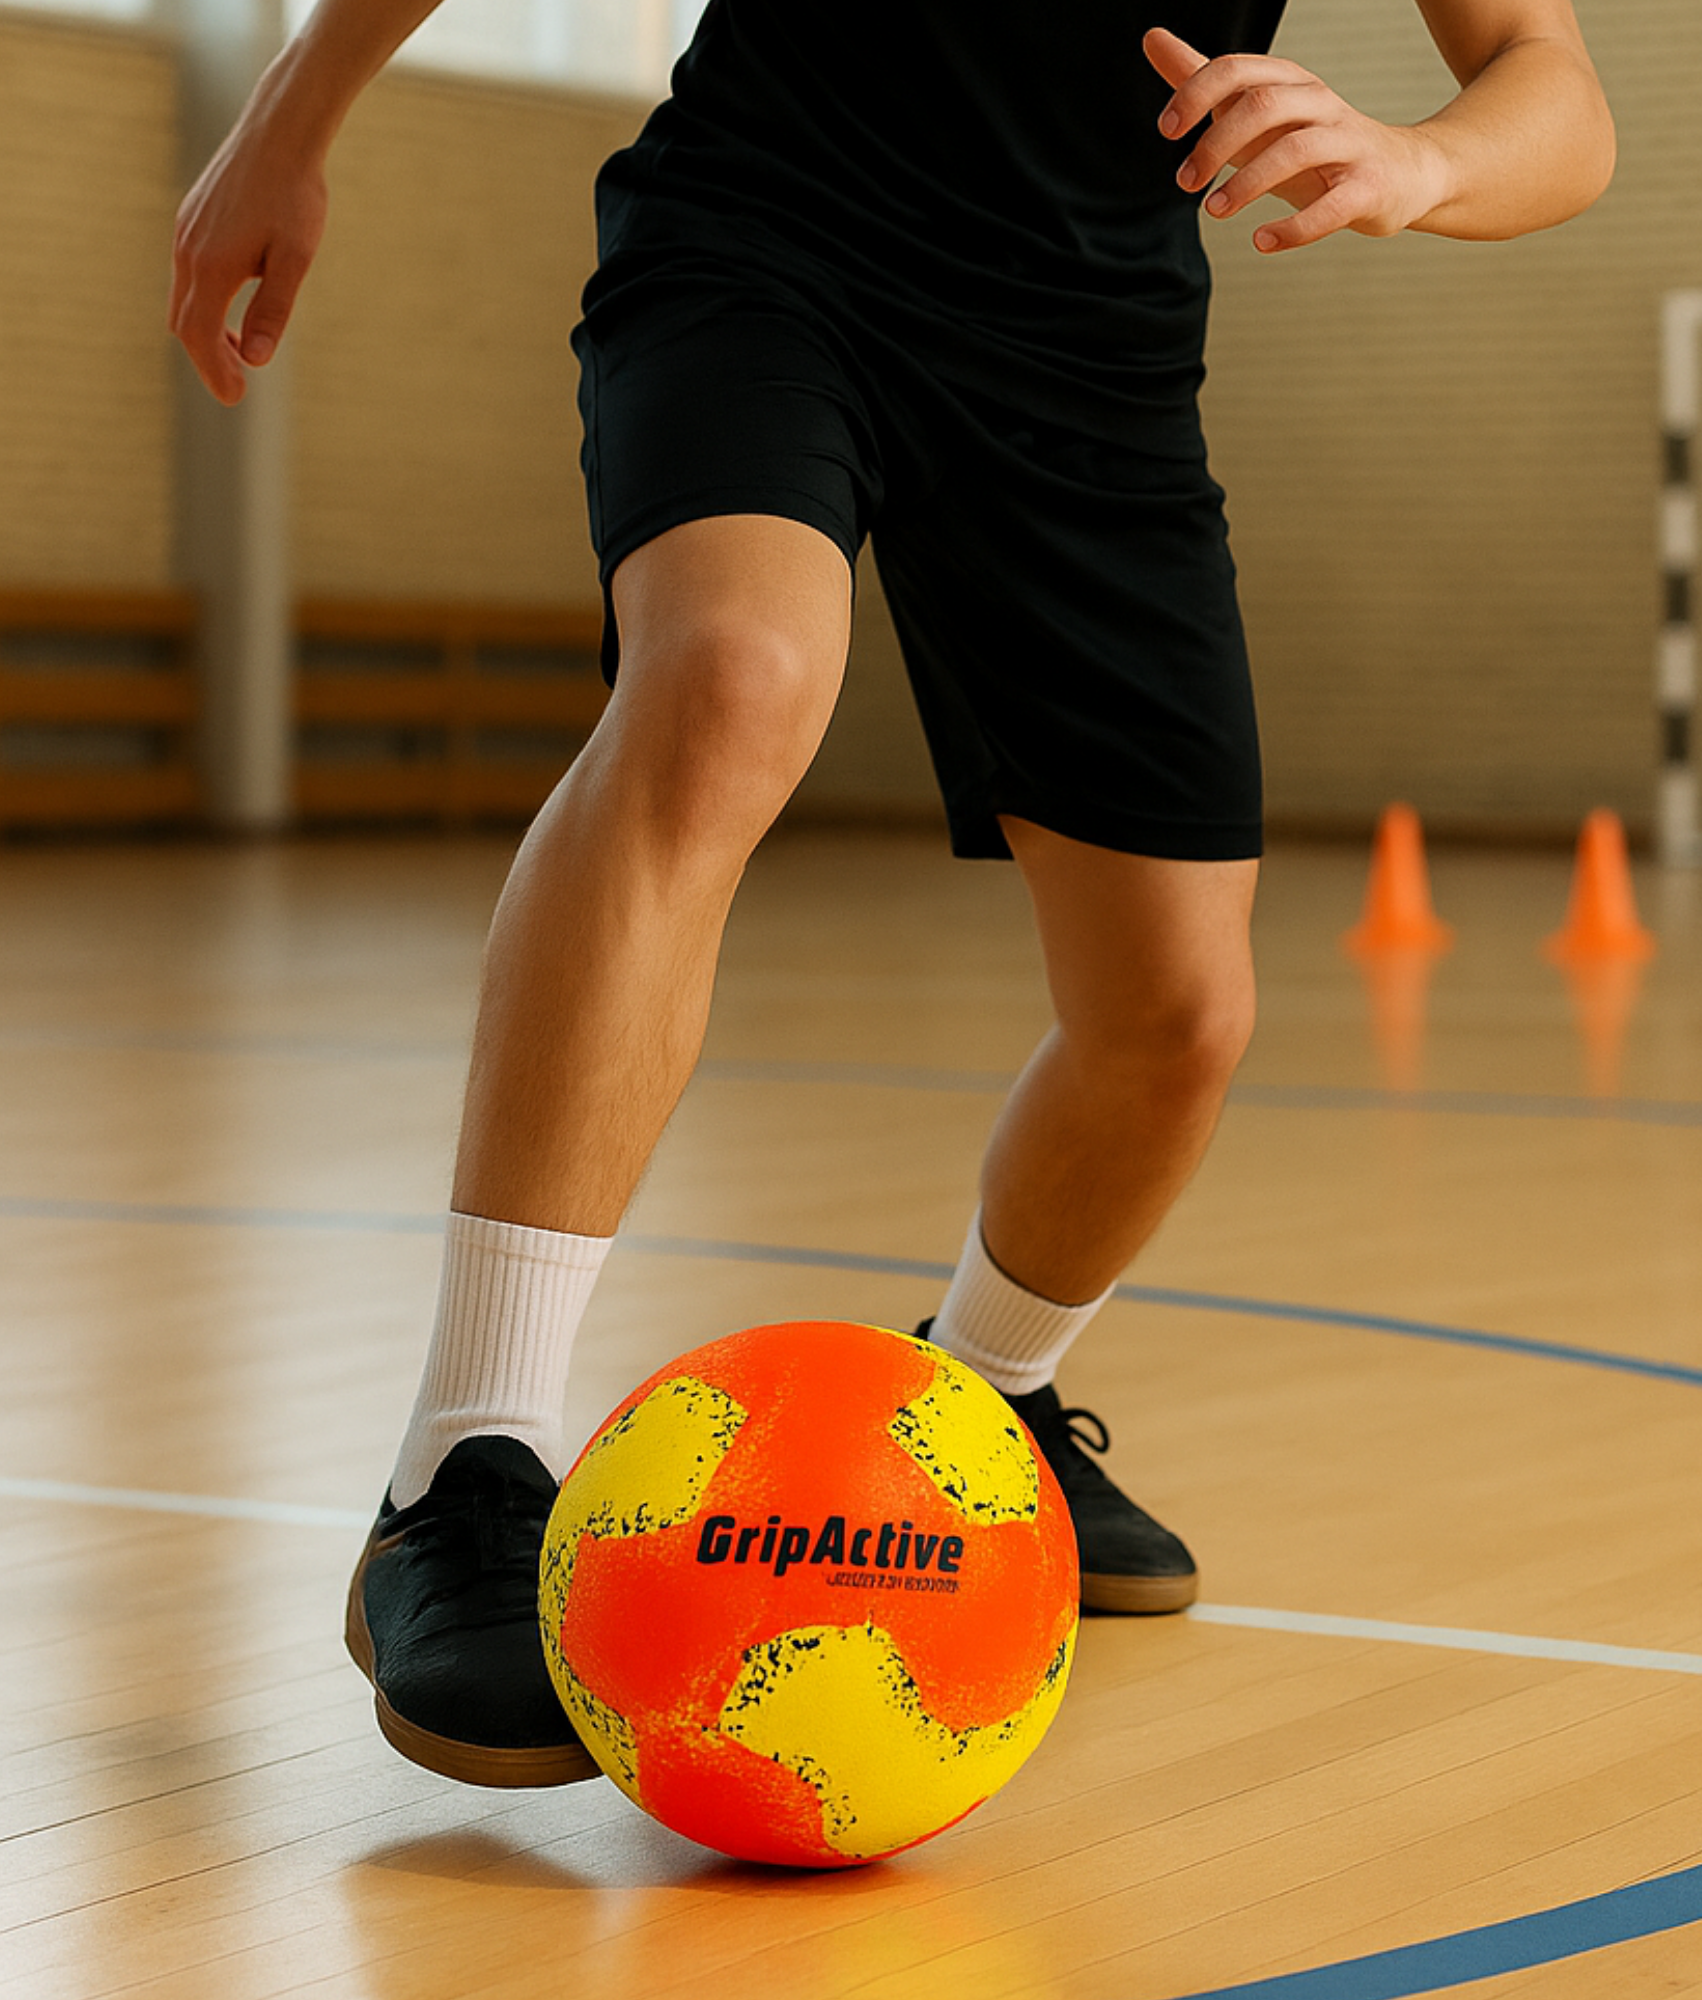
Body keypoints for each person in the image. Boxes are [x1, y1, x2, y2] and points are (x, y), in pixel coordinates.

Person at [171, 0, 1614, 1788]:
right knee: (728, 687)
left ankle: (986, 1393)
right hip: (770, 239)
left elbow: (1554, 92)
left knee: (1176, 1022)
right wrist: (285, 118)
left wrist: (1420, 161)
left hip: (1089, 346)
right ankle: (454, 1474)